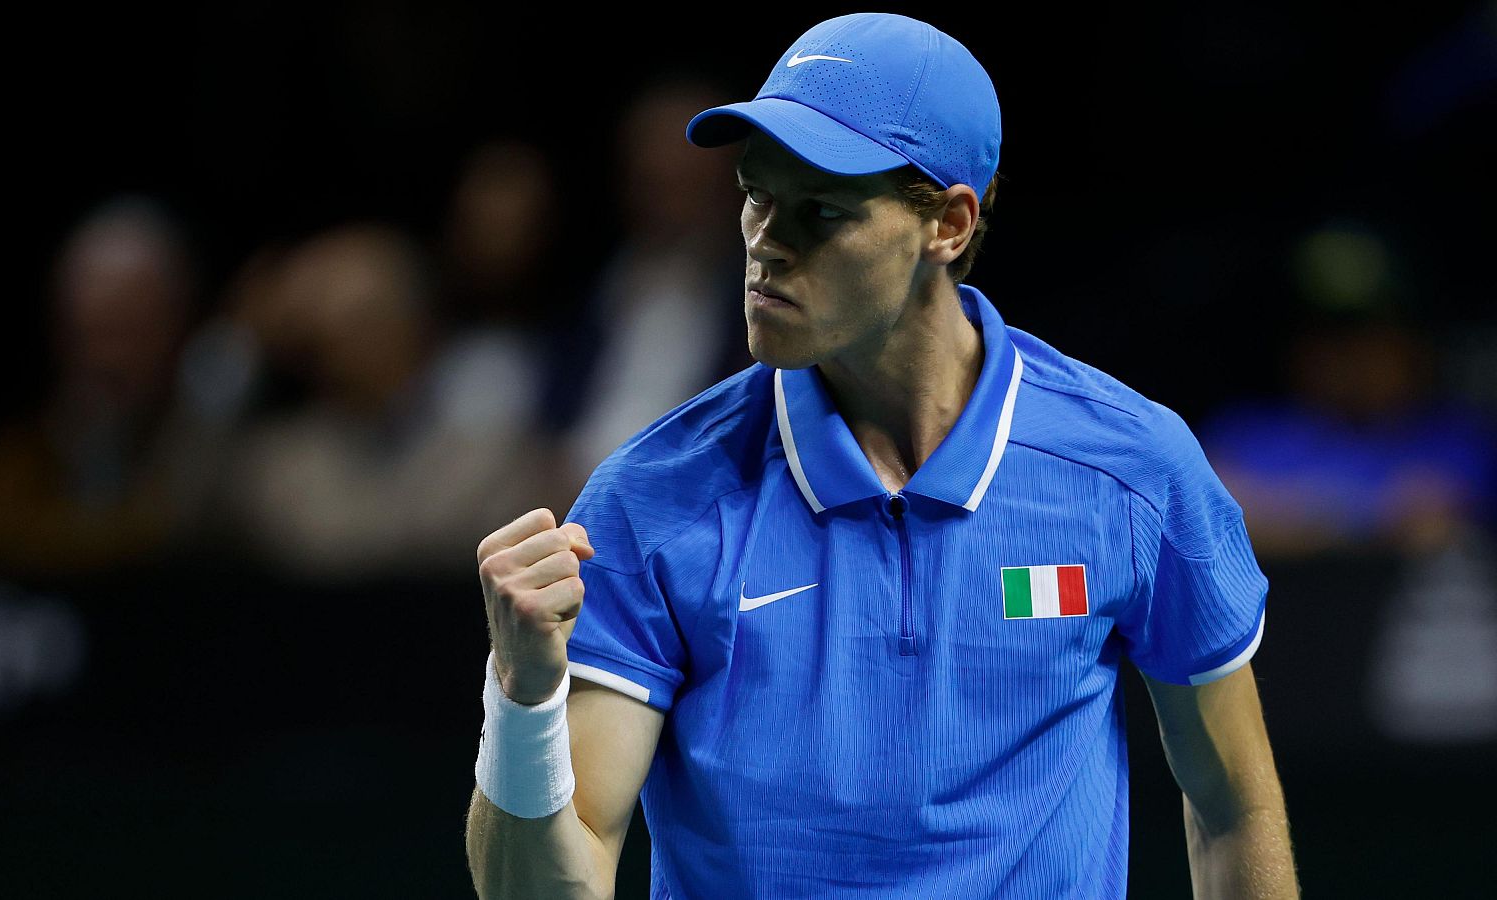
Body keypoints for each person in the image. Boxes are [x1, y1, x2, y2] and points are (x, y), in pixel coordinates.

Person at [466, 13, 1298, 899]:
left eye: (820, 211)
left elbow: (1233, 807)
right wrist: (521, 702)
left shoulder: (1133, 470)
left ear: (948, 223)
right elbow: (555, 876)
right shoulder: (651, 498)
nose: (764, 243)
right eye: (757, 196)